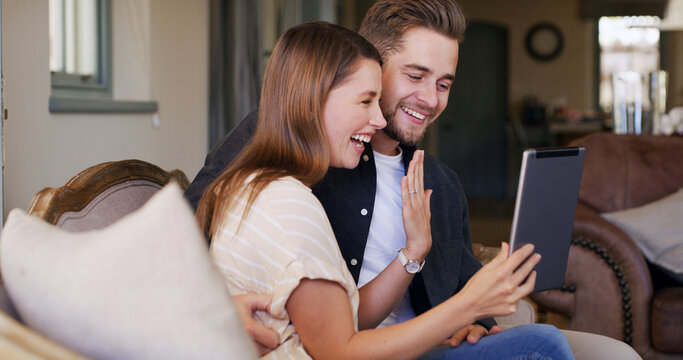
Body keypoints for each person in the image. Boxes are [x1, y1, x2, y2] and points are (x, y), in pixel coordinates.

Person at [190, 1, 642, 359]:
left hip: (426, 346)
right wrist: (213, 311)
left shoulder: (440, 184)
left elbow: (463, 282)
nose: (429, 99)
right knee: (545, 345)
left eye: (444, 83)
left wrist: (475, 323)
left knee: (599, 351)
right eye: (415, 75)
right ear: (371, 63)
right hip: (349, 348)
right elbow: (187, 225)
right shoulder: (290, 140)